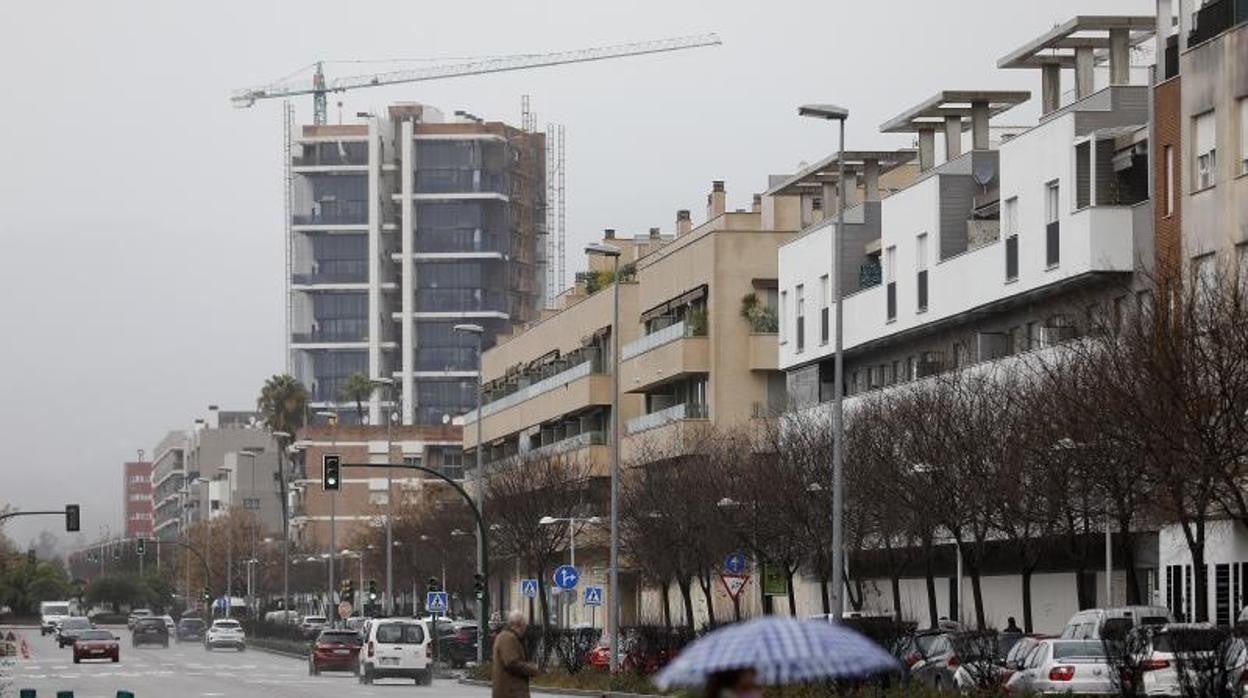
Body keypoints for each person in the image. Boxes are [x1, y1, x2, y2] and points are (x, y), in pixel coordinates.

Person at [492, 609, 539, 698]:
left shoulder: (510, 637)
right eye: (524, 626)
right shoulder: (508, 638)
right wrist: (531, 668)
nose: (525, 629)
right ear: (518, 625)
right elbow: (511, 663)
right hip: (511, 692)